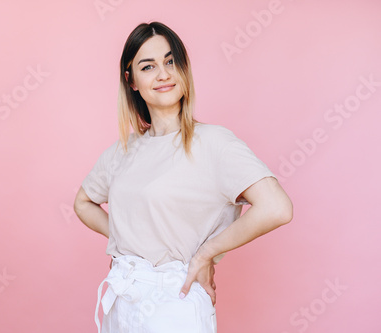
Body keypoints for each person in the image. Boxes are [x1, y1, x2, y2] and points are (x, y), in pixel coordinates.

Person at [73, 21, 293, 333]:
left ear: (183, 69)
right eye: (148, 66)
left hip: (175, 302)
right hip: (122, 299)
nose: (163, 74)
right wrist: (125, 239)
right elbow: (83, 203)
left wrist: (206, 253)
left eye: (170, 61)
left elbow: (277, 207)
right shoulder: (123, 151)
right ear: (131, 80)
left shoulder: (214, 143)